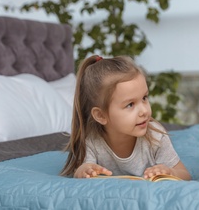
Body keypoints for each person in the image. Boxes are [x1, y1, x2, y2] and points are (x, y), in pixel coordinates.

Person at [60, 55, 191, 180]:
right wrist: (84, 171)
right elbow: (80, 172)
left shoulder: (156, 137)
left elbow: (185, 175)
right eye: (130, 105)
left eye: (144, 98)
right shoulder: (92, 142)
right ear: (101, 115)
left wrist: (170, 172)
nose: (144, 111)